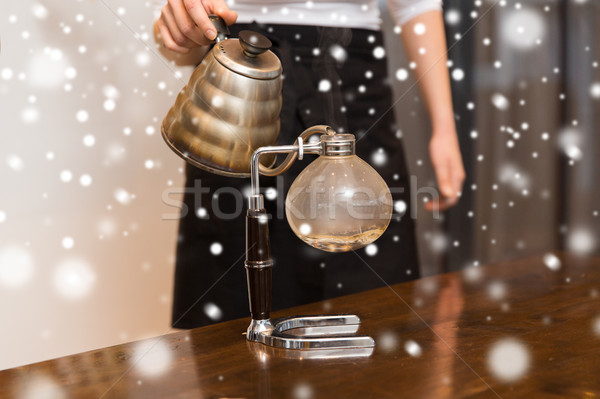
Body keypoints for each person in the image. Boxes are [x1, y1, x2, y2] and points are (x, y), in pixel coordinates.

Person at [153, 0, 465, 328]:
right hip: (239, 82)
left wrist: (444, 127)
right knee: (230, 307)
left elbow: (415, 4)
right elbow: (179, 35)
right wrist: (180, 30)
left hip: (354, 81)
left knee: (378, 309)